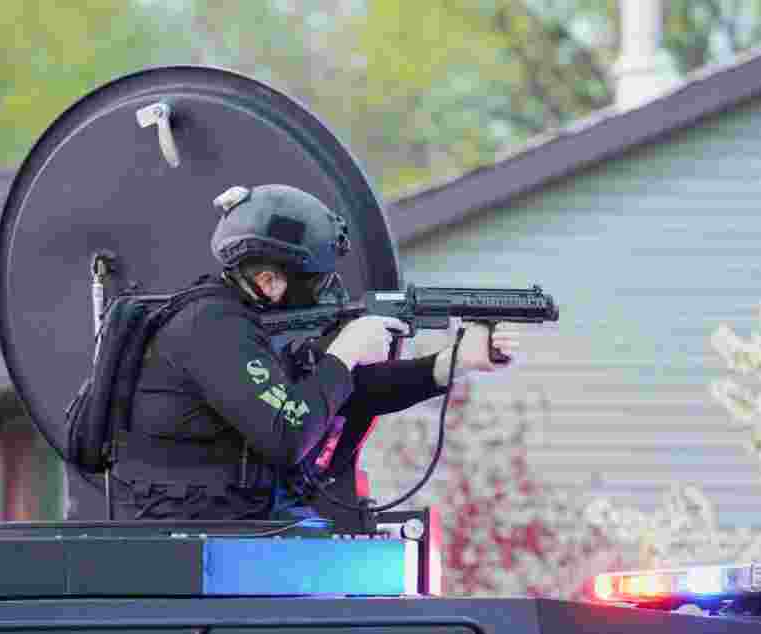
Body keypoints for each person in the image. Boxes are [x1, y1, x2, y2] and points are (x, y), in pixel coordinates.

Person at [65, 184, 519, 522]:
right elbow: (288, 432)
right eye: (317, 279)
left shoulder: (237, 322)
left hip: (229, 530)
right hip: (193, 541)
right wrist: (343, 354)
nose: (327, 289)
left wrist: (451, 363)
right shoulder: (211, 329)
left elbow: (337, 393)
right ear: (271, 281)